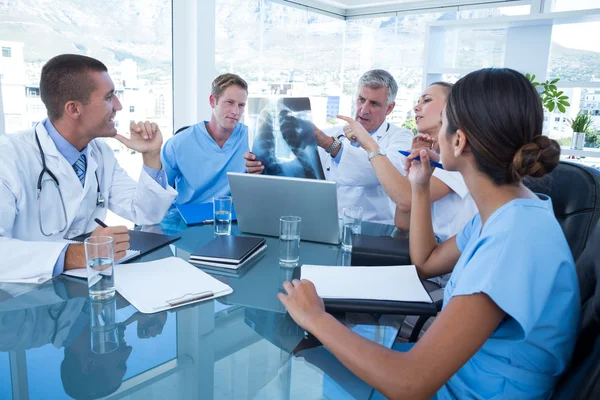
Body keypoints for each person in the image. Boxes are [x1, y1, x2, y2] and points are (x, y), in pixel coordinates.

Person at [278, 68, 580, 399]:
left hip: (468, 390)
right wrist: (419, 185)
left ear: (458, 140)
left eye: (445, 122)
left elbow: (411, 384)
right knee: (313, 361)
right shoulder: (504, 213)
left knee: (305, 366)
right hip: (458, 374)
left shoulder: (513, 238)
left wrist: (315, 318)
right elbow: (425, 261)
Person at [0, 54, 177, 284]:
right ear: (73, 109)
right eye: (109, 97)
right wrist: (77, 254)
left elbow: (147, 213)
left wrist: (151, 155)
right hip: (22, 301)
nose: (118, 106)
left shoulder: (100, 154)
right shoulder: (9, 157)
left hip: (84, 292)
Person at [246, 70, 413, 224]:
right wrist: (262, 166)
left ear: (390, 108)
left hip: (372, 228)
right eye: (361, 99)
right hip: (325, 224)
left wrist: (330, 144)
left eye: (374, 104)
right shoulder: (332, 133)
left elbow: (382, 173)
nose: (364, 109)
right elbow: (304, 173)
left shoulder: (400, 137)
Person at [338, 82, 477, 245]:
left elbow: (405, 198)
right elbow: (403, 222)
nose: (416, 108)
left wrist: (369, 144)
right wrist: (414, 169)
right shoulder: (436, 156)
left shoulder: (459, 157)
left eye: (426, 101)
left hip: (447, 263)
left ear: (451, 107)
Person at [161, 73, 249, 205]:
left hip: (231, 218)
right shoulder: (177, 144)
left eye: (241, 105)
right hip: (188, 220)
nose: (236, 111)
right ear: (213, 101)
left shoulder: (251, 139)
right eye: (230, 103)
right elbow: (157, 194)